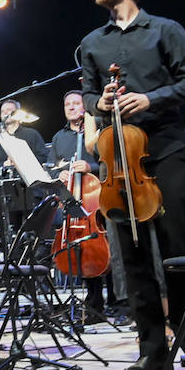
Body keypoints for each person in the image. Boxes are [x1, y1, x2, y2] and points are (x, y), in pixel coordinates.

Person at [78, 0, 185, 370]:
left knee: (178, 252)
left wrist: (151, 98)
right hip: (119, 163)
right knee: (133, 257)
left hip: (166, 152)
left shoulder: (165, 30)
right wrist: (98, 103)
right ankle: (151, 349)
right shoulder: (92, 44)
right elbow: (86, 96)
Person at [51, 90, 128, 326]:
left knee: (110, 246)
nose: (72, 107)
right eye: (67, 104)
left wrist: (90, 166)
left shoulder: (97, 131)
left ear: (85, 107)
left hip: (101, 195)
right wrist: (59, 172)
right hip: (75, 199)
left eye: (76, 103)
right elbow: (53, 166)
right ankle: (94, 305)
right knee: (84, 246)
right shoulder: (58, 138)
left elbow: (111, 159)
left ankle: (119, 302)